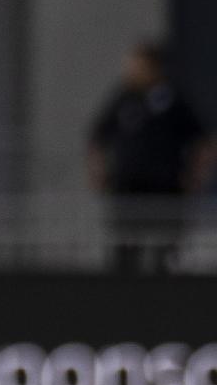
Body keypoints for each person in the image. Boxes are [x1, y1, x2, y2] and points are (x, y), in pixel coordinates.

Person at [88, 41, 213, 273]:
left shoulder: (174, 101)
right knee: (125, 248)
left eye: (137, 66)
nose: (131, 71)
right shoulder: (124, 99)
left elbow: (203, 141)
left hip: (164, 188)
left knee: (164, 249)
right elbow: (97, 136)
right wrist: (98, 172)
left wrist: (195, 176)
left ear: (154, 67)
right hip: (128, 188)